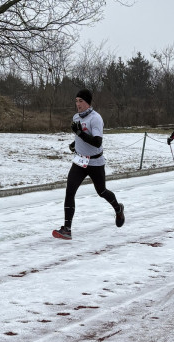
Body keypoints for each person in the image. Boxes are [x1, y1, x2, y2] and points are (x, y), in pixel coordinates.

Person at [52, 88, 124, 240]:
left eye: (81, 101)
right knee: (69, 191)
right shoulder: (76, 117)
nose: (78, 104)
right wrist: (75, 143)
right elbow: (81, 137)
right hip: (79, 161)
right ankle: (67, 229)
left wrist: (79, 134)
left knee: (102, 191)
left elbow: (97, 142)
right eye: (76, 101)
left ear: (88, 103)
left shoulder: (95, 118)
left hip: (95, 162)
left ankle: (118, 209)